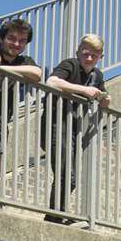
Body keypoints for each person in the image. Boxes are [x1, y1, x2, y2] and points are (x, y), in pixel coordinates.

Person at [0, 19, 45, 204]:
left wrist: (2, 70)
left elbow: (37, 73)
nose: (16, 44)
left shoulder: (23, 61)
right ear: (2, 38)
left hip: (1, 118)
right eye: (12, 38)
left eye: (22, 41)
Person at [43, 33, 110, 223]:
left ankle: (57, 213)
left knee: (69, 175)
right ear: (78, 52)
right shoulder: (69, 64)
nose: (89, 58)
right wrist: (83, 90)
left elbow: (103, 96)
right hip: (57, 124)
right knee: (66, 173)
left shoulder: (97, 75)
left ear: (100, 57)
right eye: (85, 54)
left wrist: (105, 99)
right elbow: (52, 81)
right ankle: (56, 214)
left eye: (94, 55)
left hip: (75, 129)